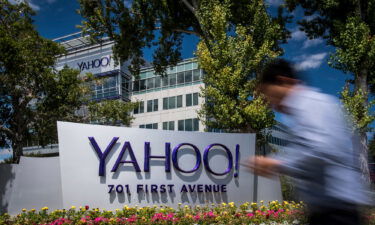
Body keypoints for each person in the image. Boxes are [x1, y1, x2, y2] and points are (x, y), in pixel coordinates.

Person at [244, 59, 370, 225]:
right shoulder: (302, 112)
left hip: (337, 210)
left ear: (283, 81)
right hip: (326, 210)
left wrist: (276, 163)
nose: (272, 104)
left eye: (270, 95)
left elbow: (321, 149)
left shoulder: (313, 104)